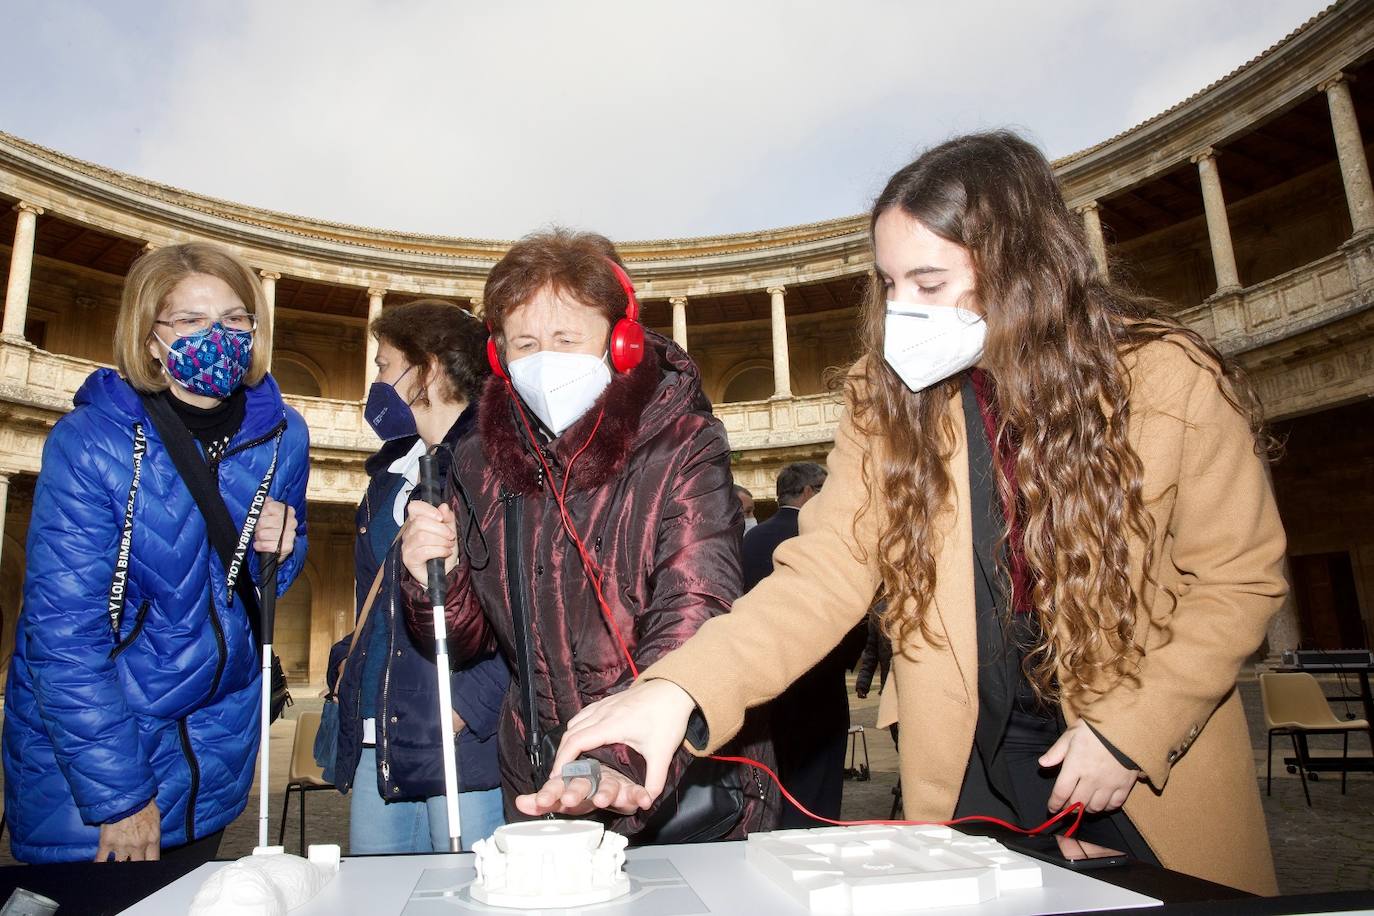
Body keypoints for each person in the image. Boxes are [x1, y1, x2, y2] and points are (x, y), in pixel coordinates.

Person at [530, 132, 1288, 895]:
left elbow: (1237, 580)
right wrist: (678, 689)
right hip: (970, 769)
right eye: (889, 284)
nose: (902, 312)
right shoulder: (885, 398)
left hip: (1138, 769)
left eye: (928, 282)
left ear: (1023, 271)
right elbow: (823, 574)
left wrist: (1131, 735)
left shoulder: (1167, 377)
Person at [400, 229, 777, 840]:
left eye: (567, 338)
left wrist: (611, 758)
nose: (544, 358)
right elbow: (468, 641)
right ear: (499, 356)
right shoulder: (478, 461)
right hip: (542, 775)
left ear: (620, 342)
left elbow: (696, 606)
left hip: (682, 774)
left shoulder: (684, 443)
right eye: (524, 342)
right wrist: (425, 579)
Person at [2, 242, 310, 864]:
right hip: (96, 771)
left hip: (213, 760)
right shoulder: (90, 443)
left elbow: (253, 587)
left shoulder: (282, 435)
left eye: (234, 318)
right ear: (150, 338)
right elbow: (62, 635)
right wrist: (118, 794)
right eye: (191, 321)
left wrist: (284, 545)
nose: (217, 335)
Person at [327, 299, 509, 853]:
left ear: (427, 369)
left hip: (460, 734)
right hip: (380, 729)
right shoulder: (391, 474)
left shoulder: (498, 463)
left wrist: (467, 707)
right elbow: (372, 598)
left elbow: (526, 604)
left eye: (384, 365)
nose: (377, 383)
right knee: (378, 895)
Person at [743, 462, 861, 826]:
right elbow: (851, 607)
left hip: (763, 674)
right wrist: (845, 659)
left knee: (778, 768)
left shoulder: (751, 540)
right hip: (817, 675)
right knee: (820, 779)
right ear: (810, 492)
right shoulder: (820, 536)